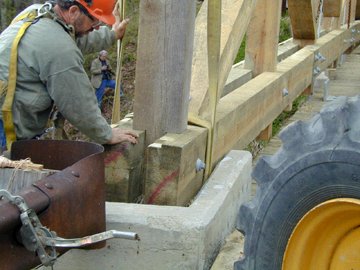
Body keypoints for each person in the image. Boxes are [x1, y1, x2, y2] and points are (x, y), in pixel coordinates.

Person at [0, 0, 138, 152]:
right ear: (73, 11)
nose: (97, 26)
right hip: (4, 130)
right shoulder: (59, 48)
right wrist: (107, 134)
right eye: (94, 20)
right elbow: (77, 103)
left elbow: (73, 40)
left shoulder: (37, 14)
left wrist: (112, 35)